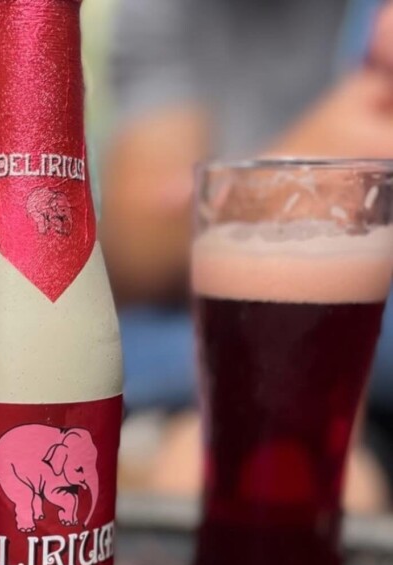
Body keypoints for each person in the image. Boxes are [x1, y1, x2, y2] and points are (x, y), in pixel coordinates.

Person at [100, 0, 393, 510]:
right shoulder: (170, 12)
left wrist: (236, 198)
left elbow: (165, 221)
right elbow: (136, 248)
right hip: (198, 393)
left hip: (349, 402)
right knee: (205, 470)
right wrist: (305, 165)